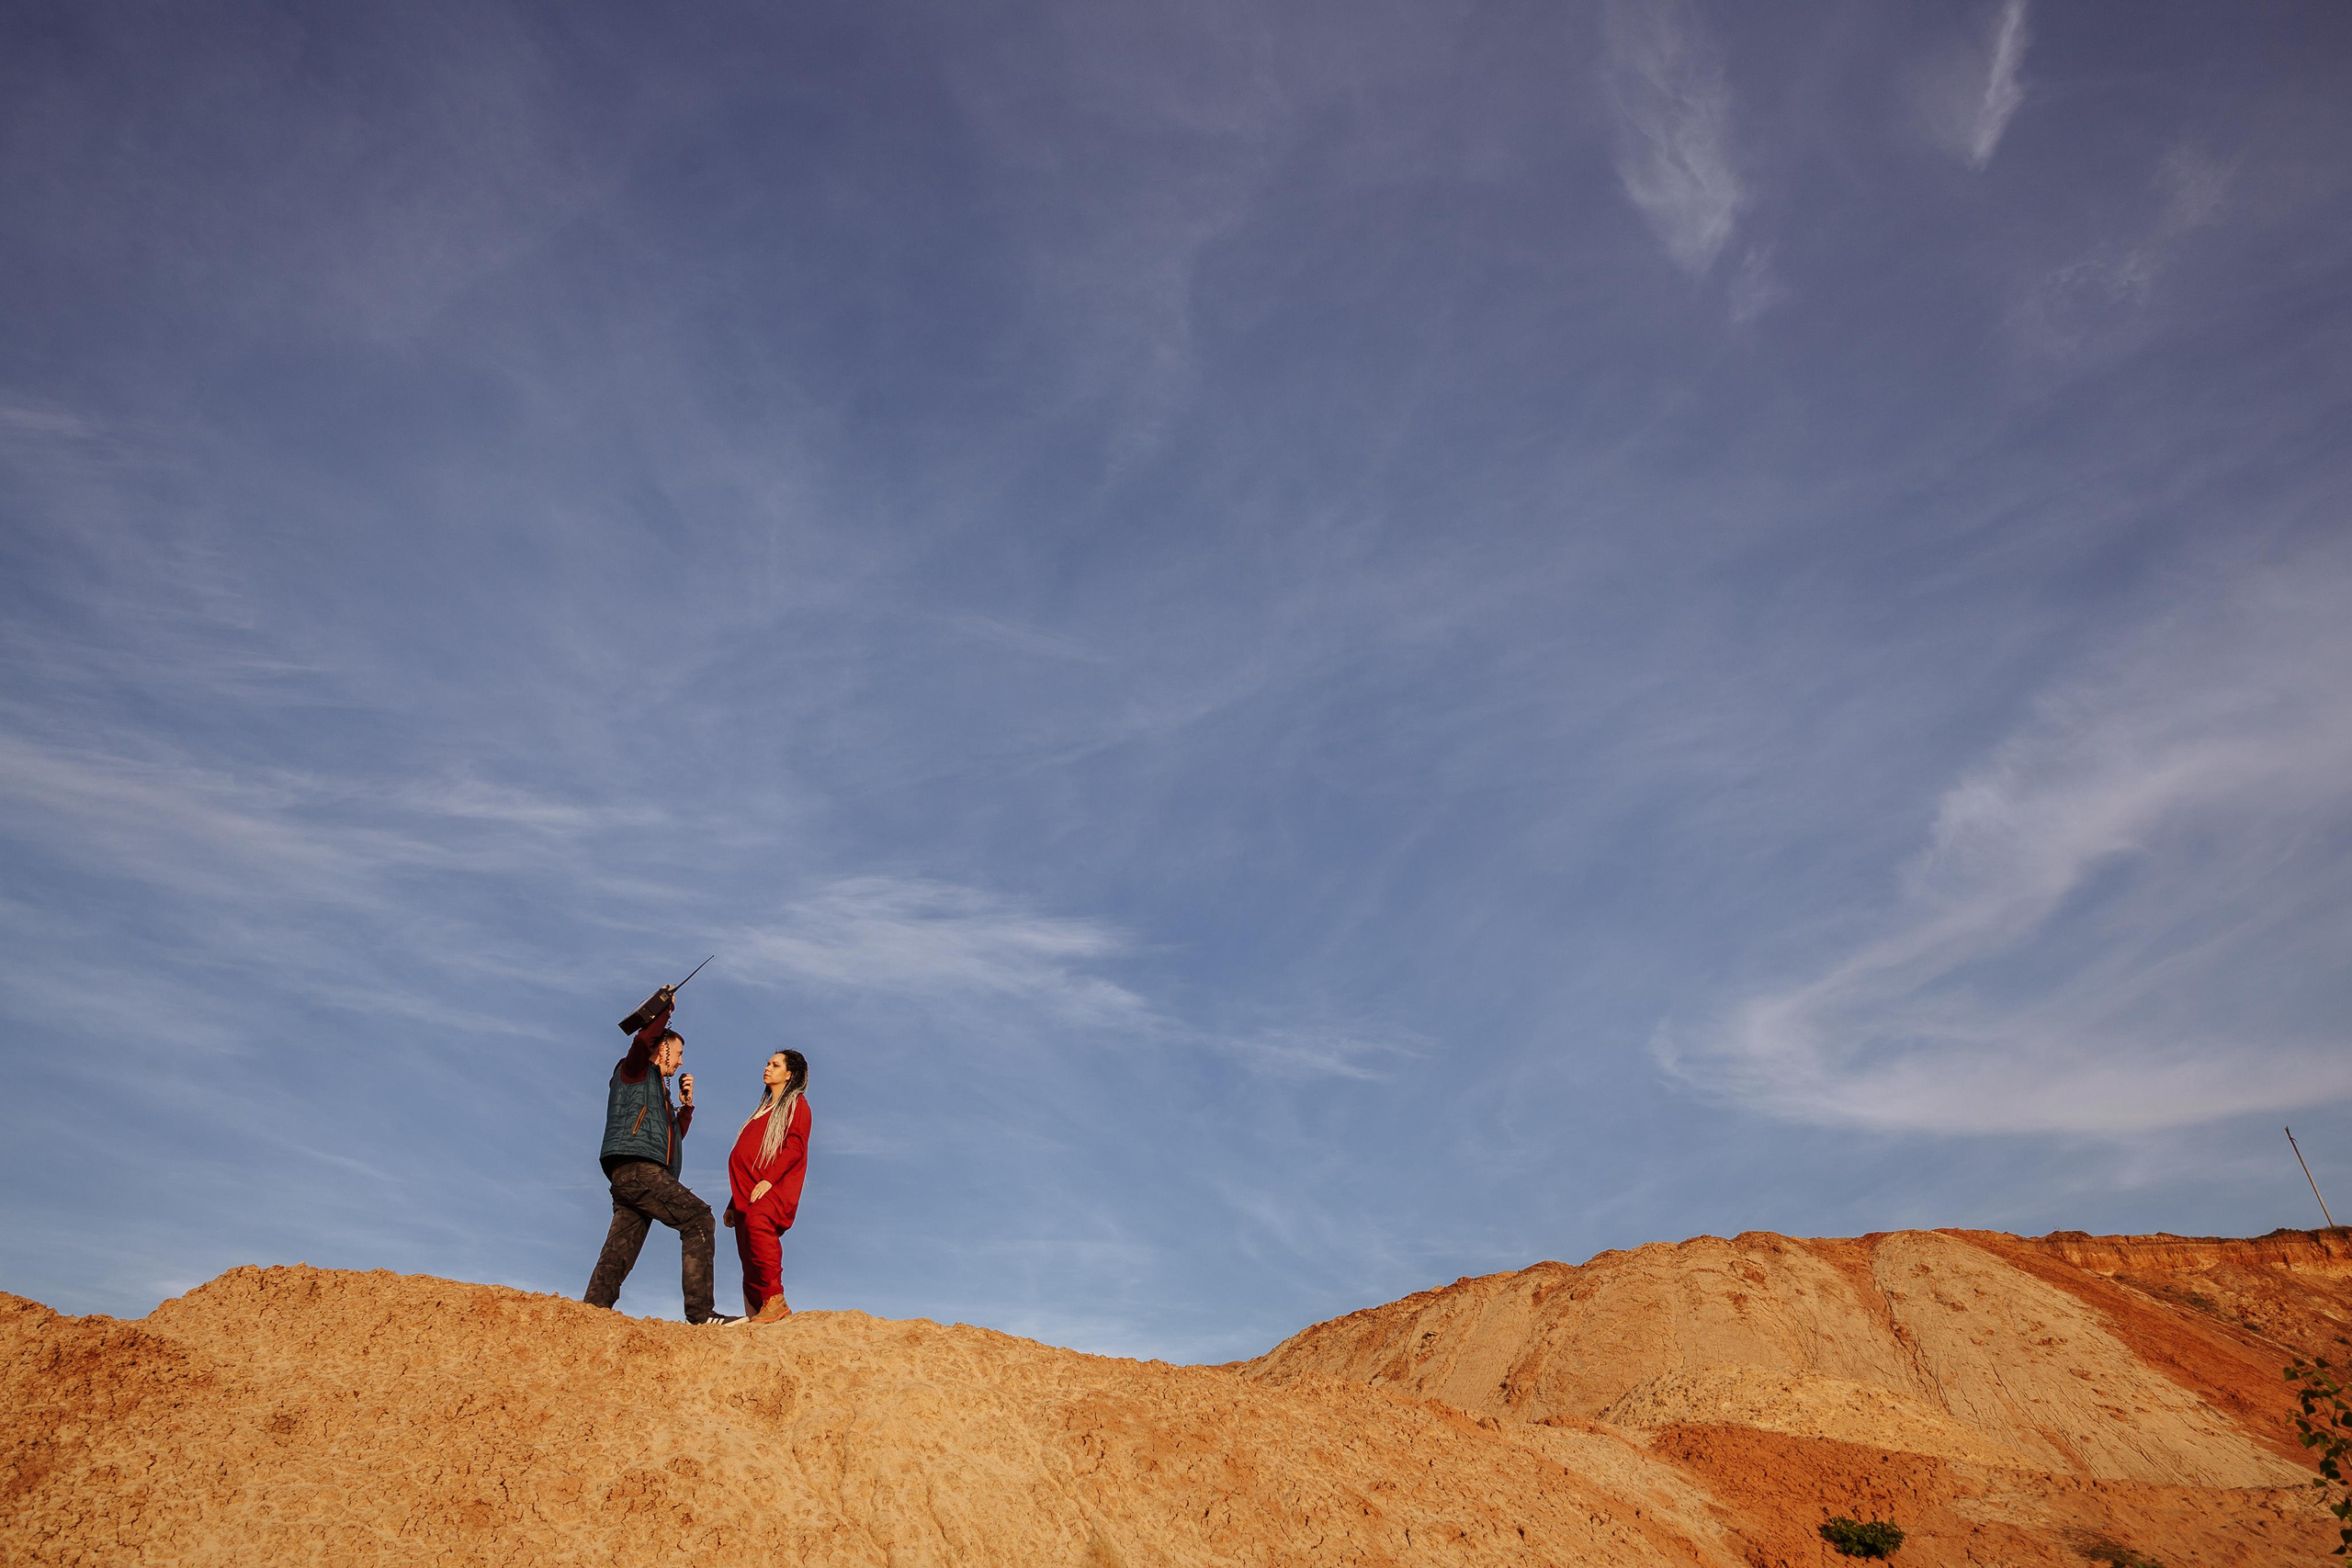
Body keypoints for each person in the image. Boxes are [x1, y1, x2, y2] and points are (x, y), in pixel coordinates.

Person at [583, 985, 734, 1324]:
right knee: (698, 1219)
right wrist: (666, 1008)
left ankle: (591, 1315)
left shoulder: (658, 1091)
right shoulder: (633, 1070)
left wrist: (685, 1109)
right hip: (639, 1171)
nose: (681, 1061)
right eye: (678, 1053)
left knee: (618, 1252)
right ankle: (701, 1314)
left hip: (634, 1175)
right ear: (662, 1048)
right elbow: (641, 1041)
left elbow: (670, 1139)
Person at [724, 1049, 810, 1325]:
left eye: (775, 1065)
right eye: (767, 1063)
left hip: (775, 1187)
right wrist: (731, 1202)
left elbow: (795, 1146)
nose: (767, 1068)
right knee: (747, 1253)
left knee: (760, 1224)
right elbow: (748, 1159)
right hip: (746, 1194)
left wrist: (769, 1179)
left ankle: (775, 1299)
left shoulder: (797, 1105)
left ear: (790, 1074)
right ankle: (758, 1313)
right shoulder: (761, 1112)